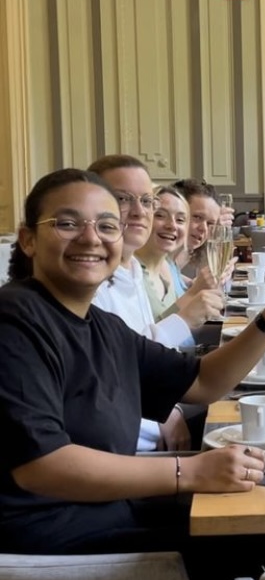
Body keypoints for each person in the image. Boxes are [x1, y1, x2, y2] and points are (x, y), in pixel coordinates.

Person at [0, 168, 265, 580]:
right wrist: (188, 472)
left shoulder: (102, 327)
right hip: (48, 543)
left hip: (104, 511)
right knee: (262, 550)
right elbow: (42, 466)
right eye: (68, 223)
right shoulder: (16, 320)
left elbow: (203, 382)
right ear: (28, 239)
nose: (91, 238)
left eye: (106, 226)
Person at [89, 155, 224, 452]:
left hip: (155, 424)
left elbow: (143, 359)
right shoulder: (89, 285)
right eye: (122, 199)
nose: (139, 211)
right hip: (136, 454)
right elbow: (113, 376)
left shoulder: (132, 273)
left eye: (146, 201)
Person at [135, 185, 191, 321]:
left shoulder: (166, 267)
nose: (172, 225)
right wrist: (193, 296)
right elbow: (145, 333)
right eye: (160, 215)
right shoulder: (130, 271)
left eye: (180, 220)